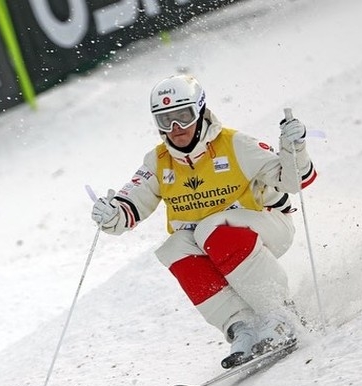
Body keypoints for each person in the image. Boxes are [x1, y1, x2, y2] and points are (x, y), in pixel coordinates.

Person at [91, 75, 317, 369]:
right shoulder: (159, 161)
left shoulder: (234, 144)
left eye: (182, 117)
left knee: (211, 229)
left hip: (268, 225)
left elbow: (295, 180)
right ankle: (241, 326)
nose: (175, 129)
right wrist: (111, 214)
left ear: (198, 111)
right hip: (213, 242)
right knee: (175, 248)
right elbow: (129, 207)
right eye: (165, 120)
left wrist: (294, 148)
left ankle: (280, 314)